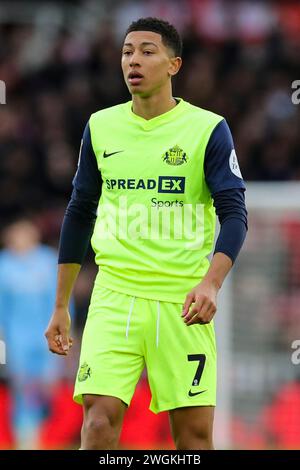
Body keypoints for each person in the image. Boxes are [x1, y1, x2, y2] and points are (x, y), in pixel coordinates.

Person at [45, 17, 248, 450]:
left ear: (174, 64)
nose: (133, 60)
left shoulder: (208, 129)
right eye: (126, 51)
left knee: (193, 439)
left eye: (147, 51)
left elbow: (235, 214)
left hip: (183, 303)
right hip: (114, 297)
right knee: (97, 426)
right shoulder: (101, 126)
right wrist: (61, 305)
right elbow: (80, 213)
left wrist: (211, 283)